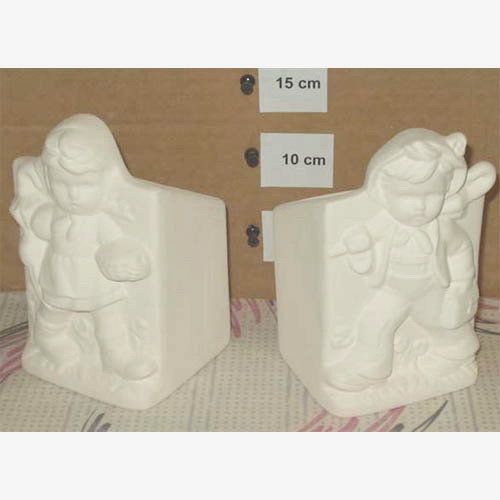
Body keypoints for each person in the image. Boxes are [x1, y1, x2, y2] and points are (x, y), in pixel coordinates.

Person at [327, 129, 496, 391]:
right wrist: (358, 243)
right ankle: (370, 371)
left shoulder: (443, 228)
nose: (420, 206)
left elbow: (461, 249)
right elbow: (364, 236)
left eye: (431, 195)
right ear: (384, 193)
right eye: (407, 196)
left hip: (431, 287)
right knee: (374, 323)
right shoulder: (383, 222)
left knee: (442, 324)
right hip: (395, 290)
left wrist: (461, 284)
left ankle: (456, 354)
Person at [12, 114, 156, 380]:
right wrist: (33, 206)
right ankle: (49, 341)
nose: (73, 195)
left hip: (96, 281)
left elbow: (117, 244)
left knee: (109, 319)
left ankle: (118, 357)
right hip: (60, 278)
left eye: (85, 185)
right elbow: (37, 224)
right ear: (48, 180)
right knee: (51, 314)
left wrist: (125, 258)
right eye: (61, 184)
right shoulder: (54, 214)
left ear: (106, 180)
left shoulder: (101, 221)